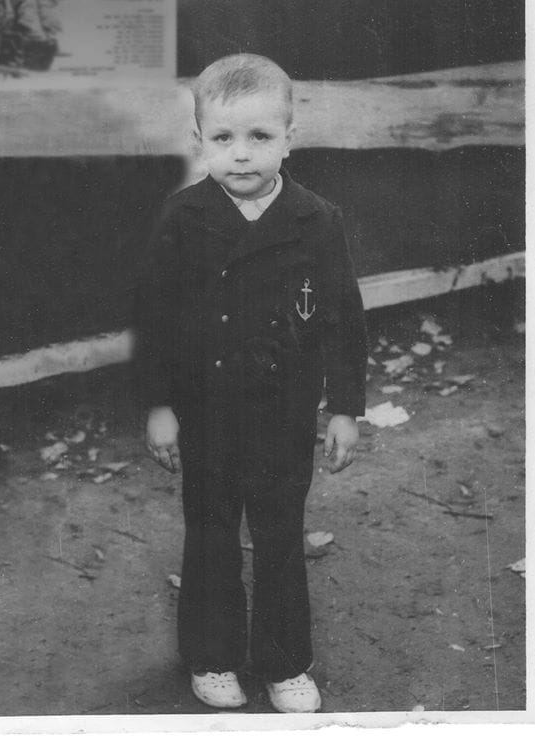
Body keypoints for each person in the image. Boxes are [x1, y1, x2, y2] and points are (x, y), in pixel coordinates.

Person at [133, 53, 367, 713]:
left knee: (279, 535)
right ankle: (212, 657)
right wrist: (158, 405)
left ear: (289, 137)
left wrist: (345, 409)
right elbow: (153, 320)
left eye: (260, 136)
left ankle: (285, 664)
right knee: (210, 533)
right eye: (224, 137)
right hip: (206, 411)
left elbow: (343, 320)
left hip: (283, 414)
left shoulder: (316, 219)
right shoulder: (182, 218)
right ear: (198, 141)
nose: (241, 154)